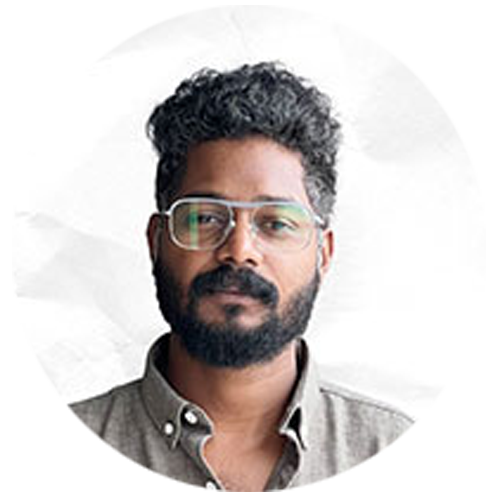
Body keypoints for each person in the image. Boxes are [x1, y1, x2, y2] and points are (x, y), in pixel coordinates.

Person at [68, 62, 416, 492]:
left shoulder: (396, 456)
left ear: (323, 254)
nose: (239, 250)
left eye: (276, 222)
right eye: (204, 218)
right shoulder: (58, 453)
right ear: (157, 241)